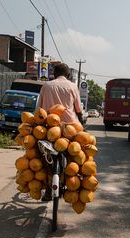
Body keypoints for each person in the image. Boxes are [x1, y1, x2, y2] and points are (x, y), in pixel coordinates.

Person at [37, 63, 83, 201]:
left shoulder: (46, 86)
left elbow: (39, 109)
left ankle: (48, 189)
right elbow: (78, 109)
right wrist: (82, 124)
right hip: (70, 127)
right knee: (75, 156)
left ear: (54, 74)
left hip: (48, 127)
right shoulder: (72, 86)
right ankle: (73, 184)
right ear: (68, 75)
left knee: (42, 156)